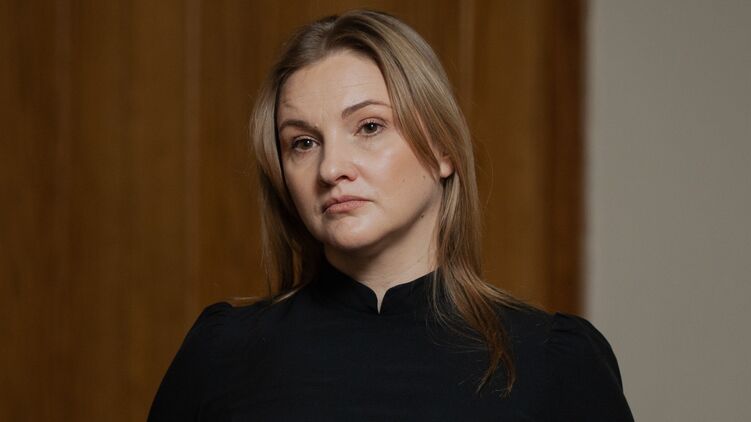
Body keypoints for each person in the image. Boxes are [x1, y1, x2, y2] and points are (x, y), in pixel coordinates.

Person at [148, 9, 633, 421]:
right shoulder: (222, 354)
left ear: (442, 148)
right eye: (304, 142)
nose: (331, 168)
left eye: (369, 127)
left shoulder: (555, 361)